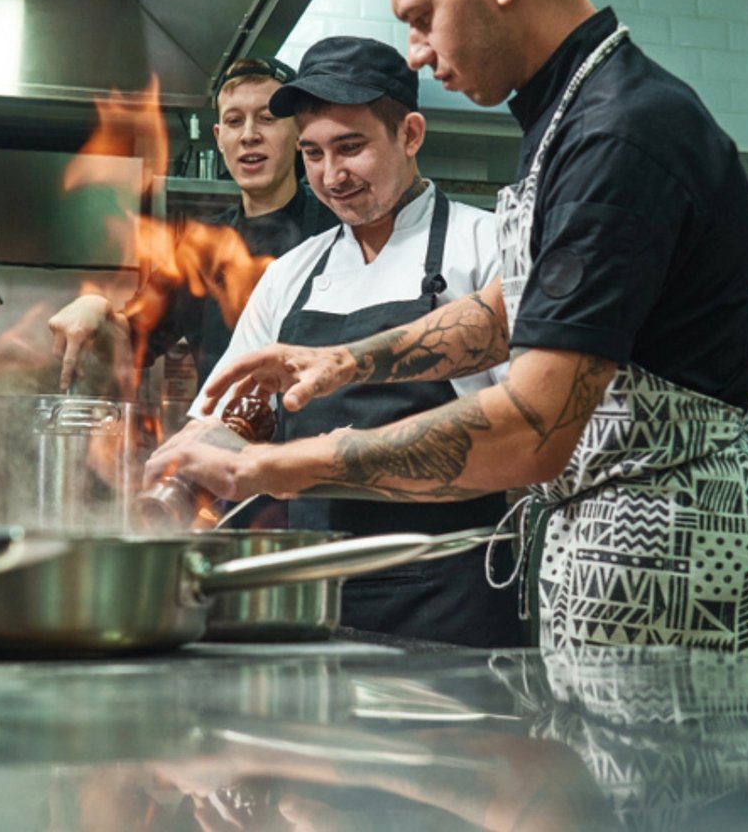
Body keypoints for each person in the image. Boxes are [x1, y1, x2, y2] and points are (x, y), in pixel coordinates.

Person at [146, 0, 748, 664]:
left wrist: (272, 468)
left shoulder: (619, 133)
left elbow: (532, 429)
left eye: (422, 17)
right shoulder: (571, 114)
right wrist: (347, 361)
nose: (419, 49)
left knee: (658, 789)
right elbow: (521, 307)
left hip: (680, 557)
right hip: (606, 540)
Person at [158, 34, 521, 647]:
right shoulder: (292, 274)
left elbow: (522, 432)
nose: (332, 175)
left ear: (410, 135)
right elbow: (228, 419)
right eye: (313, 153)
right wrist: (171, 482)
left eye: (351, 148)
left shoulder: (487, 249)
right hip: (314, 593)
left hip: (453, 595)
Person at [48, 57, 336, 390]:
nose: (249, 135)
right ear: (218, 136)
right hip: (220, 437)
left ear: (299, 131)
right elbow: (130, 343)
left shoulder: (338, 230)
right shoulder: (199, 247)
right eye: (233, 121)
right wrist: (94, 308)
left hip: (319, 439)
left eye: (267, 118)